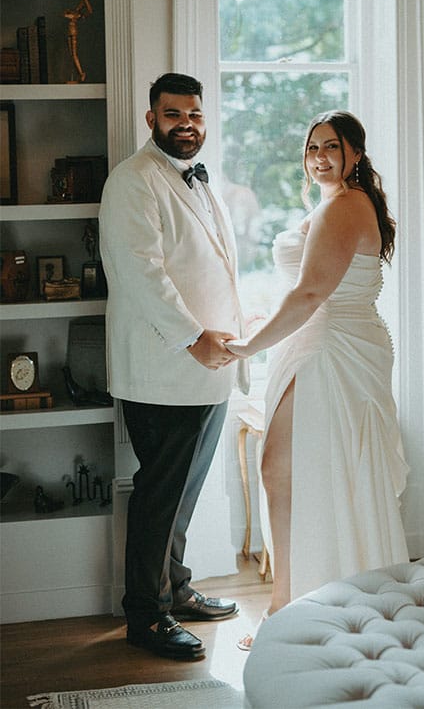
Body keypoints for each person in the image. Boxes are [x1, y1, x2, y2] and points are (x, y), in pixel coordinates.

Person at [227, 110, 409, 649]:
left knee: (284, 468)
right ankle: (302, 597)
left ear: (356, 153)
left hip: (332, 351)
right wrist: (264, 323)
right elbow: (307, 286)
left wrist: (246, 347)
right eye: (312, 149)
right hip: (315, 341)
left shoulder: (347, 206)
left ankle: (293, 604)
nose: (320, 157)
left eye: (331, 146)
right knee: (300, 469)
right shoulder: (332, 205)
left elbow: (310, 295)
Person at [99, 72, 248, 661]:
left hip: (208, 371)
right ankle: (146, 615)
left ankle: (175, 589)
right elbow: (140, 275)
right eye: (172, 114)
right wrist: (193, 340)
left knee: (183, 494)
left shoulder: (198, 181)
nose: (185, 124)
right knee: (160, 495)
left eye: (194, 114)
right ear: (150, 119)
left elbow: (212, 266)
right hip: (164, 373)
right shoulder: (132, 182)